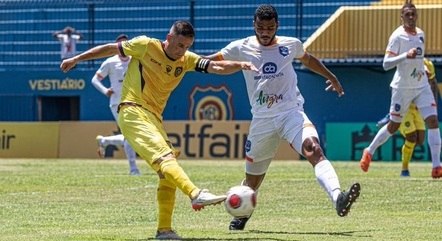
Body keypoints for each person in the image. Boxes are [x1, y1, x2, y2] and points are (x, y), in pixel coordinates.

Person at [60, 20, 258, 240]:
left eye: (187, 47)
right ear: (169, 37)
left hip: (154, 118)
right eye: (179, 45)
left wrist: (240, 65)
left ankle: (164, 230)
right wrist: (76, 58)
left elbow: (217, 66)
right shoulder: (146, 45)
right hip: (132, 110)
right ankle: (195, 193)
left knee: (166, 172)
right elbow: (108, 48)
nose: (181, 51)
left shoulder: (187, 60)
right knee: (165, 159)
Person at [205, 4, 361, 231]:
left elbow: (307, 59)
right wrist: (184, 62)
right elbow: (212, 60)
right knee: (252, 181)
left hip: (291, 113)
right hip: (262, 120)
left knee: (313, 148)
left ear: (277, 25)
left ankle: (338, 197)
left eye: (269, 27)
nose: (265, 32)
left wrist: (331, 76)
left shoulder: (291, 44)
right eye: (260, 27)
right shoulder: (241, 47)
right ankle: (242, 214)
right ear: (254, 25)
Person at [360, 1, 442, 179]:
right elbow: (385, 64)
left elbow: (418, 60)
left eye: (413, 14)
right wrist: (405, 55)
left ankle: (437, 166)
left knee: (433, 121)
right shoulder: (397, 36)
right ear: (402, 16)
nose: (411, 17)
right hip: (402, 88)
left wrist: (423, 69)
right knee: (393, 126)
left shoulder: (421, 34)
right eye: (407, 14)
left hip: (421, 85)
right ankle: (369, 150)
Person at [376, 58, 438, 177]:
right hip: (405, 107)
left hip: (419, 107)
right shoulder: (406, 64)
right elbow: (396, 86)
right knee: (411, 137)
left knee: (420, 140)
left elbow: (433, 83)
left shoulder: (428, 64)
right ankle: (404, 169)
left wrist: (433, 106)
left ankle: (391, 118)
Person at [91, 34, 140, 176]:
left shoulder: (135, 61)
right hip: (117, 104)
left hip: (134, 102)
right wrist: (105, 90)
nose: (122, 48)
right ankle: (133, 169)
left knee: (131, 135)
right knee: (130, 135)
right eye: (120, 45)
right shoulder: (110, 62)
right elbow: (95, 79)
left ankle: (104, 141)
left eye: (125, 44)